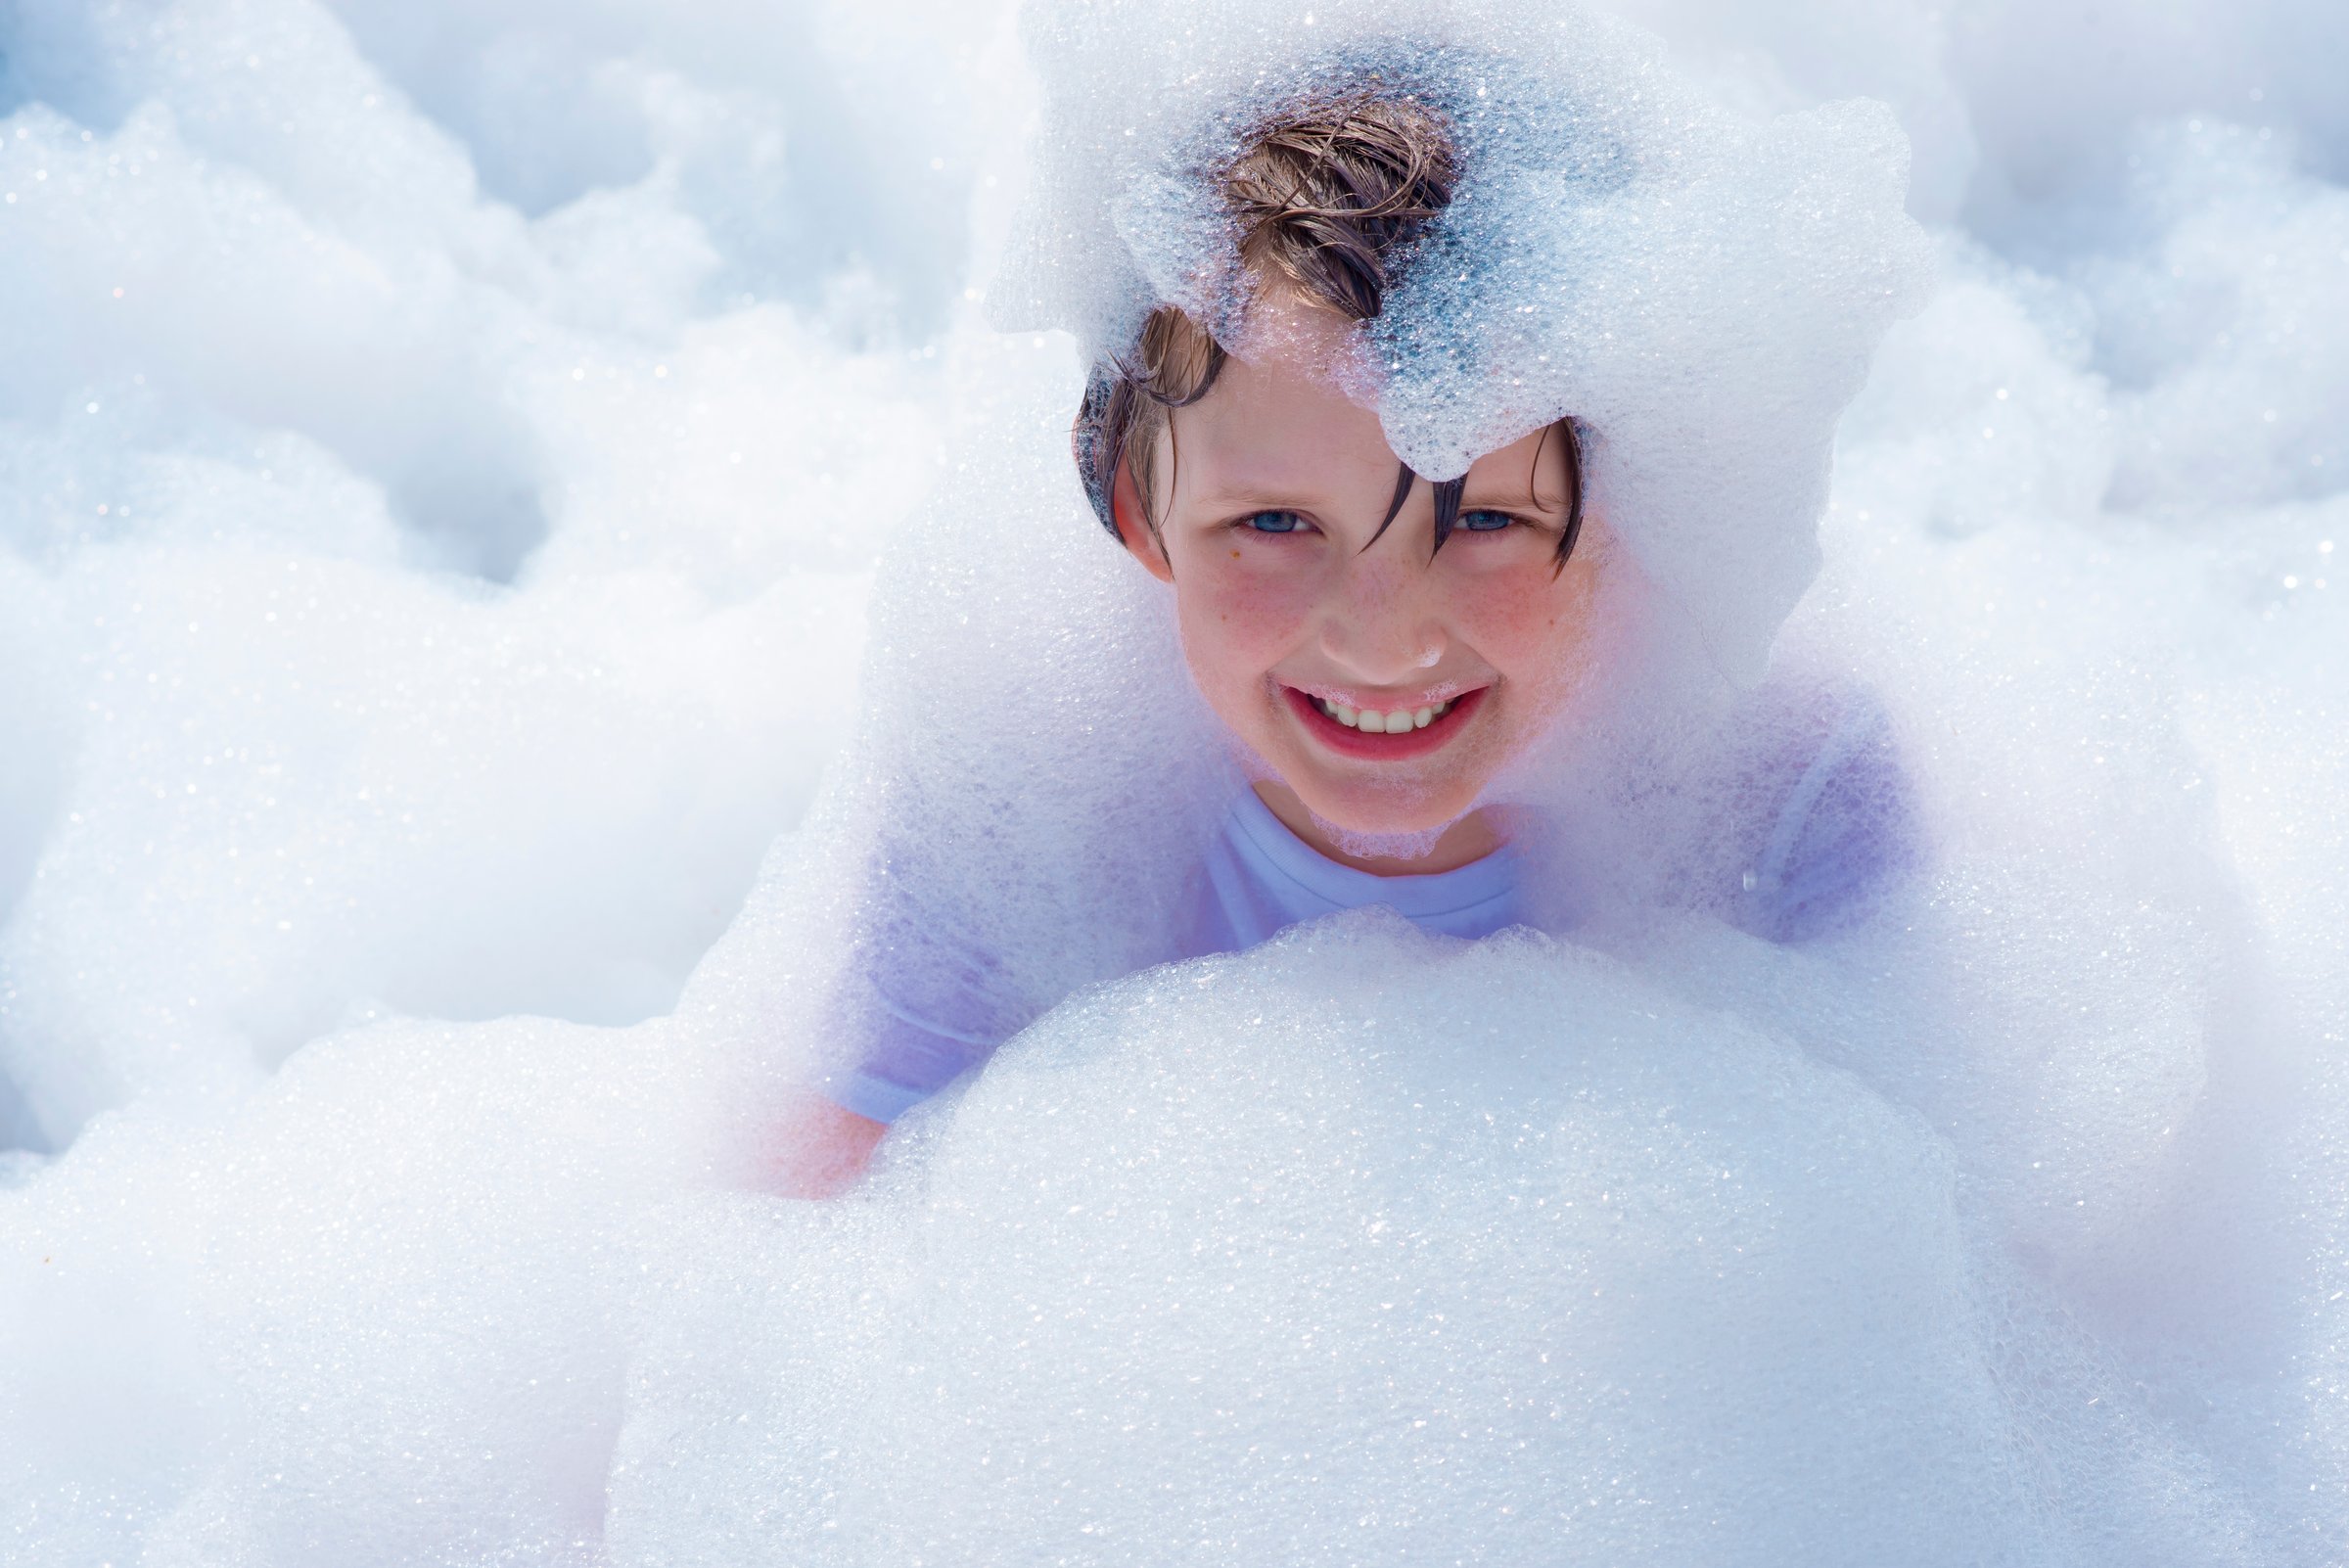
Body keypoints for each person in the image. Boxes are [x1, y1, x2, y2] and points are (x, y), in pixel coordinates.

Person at [764, 85, 1915, 1197]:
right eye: (1274, 524)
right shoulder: (1024, 807)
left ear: (1634, 522)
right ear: (1139, 515)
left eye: (1484, 522)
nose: (1384, 644)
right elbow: (837, 1219)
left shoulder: (1781, 798)